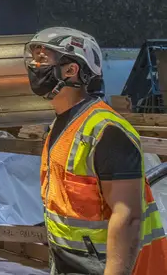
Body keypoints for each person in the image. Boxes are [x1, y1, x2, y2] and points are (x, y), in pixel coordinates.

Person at [25, 27, 167, 275]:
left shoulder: (107, 131)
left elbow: (128, 217)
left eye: (42, 59)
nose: (33, 66)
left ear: (71, 70)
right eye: (33, 59)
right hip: (75, 263)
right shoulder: (61, 124)